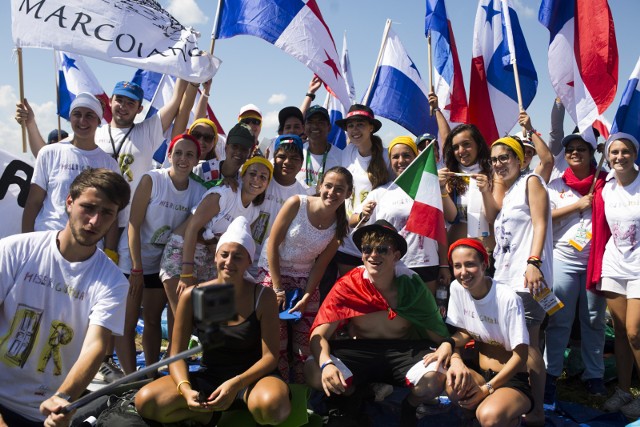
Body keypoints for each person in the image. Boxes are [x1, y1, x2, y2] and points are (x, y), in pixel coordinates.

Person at [0, 168, 130, 427]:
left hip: (48, 413)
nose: (94, 221)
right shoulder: (14, 250)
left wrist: (63, 397)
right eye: (88, 207)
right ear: (69, 202)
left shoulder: (114, 281)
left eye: (107, 213)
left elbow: (95, 347)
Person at [135, 217, 292, 426]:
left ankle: (245, 406)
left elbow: (270, 357)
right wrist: (185, 389)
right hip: (211, 377)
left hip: (253, 378)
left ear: (249, 261)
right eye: (224, 255)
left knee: (272, 408)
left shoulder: (263, 296)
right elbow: (176, 355)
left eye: (237, 257)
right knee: (146, 401)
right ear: (215, 257)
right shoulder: (193, 296)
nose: (229, 262)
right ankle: (210, 414)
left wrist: (236, 384)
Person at [305, 220, 450, 426]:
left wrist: (447, 346)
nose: (373, 255)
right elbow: (319, 335)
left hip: (404, 351)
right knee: (313, 370)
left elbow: (440, 336)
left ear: (396, 256)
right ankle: (355, 395)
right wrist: (327, 364)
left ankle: (408, 406)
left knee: (433, 381)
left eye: (382, 249)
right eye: (367, 249)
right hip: (360, 351)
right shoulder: (349, 284)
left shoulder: (412, 286)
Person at [115, 134, 206, 374]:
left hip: (161, 262)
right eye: (178, 153)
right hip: (133, 259)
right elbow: (133, 223)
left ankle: (150, 374)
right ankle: (129, 377)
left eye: (189, 154)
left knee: (153, 320)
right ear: (169, 155)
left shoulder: (198, 191)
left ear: (198, 159)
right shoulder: (152, 180)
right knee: (127, 323)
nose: (183, 159)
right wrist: (136, 268)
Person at [258, 166, 353, 382]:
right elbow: (272, 244)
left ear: (348, 193)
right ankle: (280, 385)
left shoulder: (340, 225)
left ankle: (302, 393)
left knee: (306, 344)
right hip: (274, 274)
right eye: (328, 186)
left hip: (305, 281)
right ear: (320, 186)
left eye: (340, 189)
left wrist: (307, 297)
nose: (332, 192)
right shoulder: (297, 203)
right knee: (277, 342)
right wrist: (278, 287)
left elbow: (321, 265)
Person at [483, 136, 553, 426]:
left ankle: (537, 410)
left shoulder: (532, 181)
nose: (499, 163)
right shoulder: (510, 191)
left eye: (505, 157)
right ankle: (518, 401)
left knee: (531, 343)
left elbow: (541, 223)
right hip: (506, 278)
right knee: (516, 343)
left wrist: (534, 262)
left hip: (528, 278)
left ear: (520, 159)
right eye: (494, 159)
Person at [425, 239, 532, 427]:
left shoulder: (507, 298)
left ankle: (508, 419)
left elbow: (521, 355)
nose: (463, 272)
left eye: (470, 264)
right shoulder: (457, 288)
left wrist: (487, 389)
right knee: (453, 386)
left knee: (489, 417)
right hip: (481, 372)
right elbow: (463, 332)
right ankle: (478, 415)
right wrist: (450, 348)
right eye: (457, 266)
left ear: (484, 265)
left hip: (511, 379)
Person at [161, 156, 272, 321]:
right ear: (243, 176)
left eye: (263, 177)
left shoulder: (254, 212)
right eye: (252, 174)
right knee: (183, 318)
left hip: (208, 258)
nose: (256, 179)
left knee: (197, 318)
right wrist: (186, 273)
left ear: (267, 184)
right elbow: (192, 229)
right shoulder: (225, 194)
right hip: (182, 250)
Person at [543, 133, 608, 404]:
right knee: (559, 320)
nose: (575, 153)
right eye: (570, 149)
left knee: (594, 320)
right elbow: (542, 217)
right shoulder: (554, 184)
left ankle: (595, 375)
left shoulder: (606, 183)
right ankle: (550, 375)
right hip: (563, 259)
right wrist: (576, 206)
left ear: (592, 152)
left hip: (598, 261)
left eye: (582, 149)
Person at [355, 136, 450, 294]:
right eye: (395, 156)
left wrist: (444, 265)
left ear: (416, 158)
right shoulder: (381, 191)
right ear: (390, 161)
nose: (401, 160)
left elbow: (439, 228)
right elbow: (354, 221)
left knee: (424, 315)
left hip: (426, 264)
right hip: (392, 265)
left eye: (407, 155)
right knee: (395, 316)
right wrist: (362, 215)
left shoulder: (429, 188)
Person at [21, 93, 120, 234]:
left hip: (88, 245)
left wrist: (110, 251)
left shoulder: (109, 164)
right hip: (47, 238)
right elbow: (33, 203)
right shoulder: (48, 153)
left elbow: (112, 216)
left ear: (99, 121)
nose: (82, 120)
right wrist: (26, 241)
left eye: (89, 115)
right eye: (77, 114)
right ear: (70, 118)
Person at [596, 133, 640, 418]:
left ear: (635, 154)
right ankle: (624, 390)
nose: (619, 157)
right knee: (621, 334)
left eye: (625, 151)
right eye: (614, 152)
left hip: (639, 268)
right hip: (613, 265)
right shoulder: (605, 187)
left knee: (636, 332)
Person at [333, 104, 390, 276]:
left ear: (371, 127)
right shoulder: (347, 152)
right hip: (348, 240)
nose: (354, 129)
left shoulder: (387, 157)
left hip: (376, 242)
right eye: (350, 125)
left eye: (360, 124)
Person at [249, 134, 308, 276]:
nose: (287, 162)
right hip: (246, 261)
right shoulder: (258, 180)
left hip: (275, 269)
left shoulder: (304, 195)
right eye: (282, 156)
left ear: (301, 163)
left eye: (294, 158)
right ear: (274, 158)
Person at [439, 124, 493, 245]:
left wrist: (486, 191)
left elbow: (493, 216)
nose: (461, 151)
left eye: (466, 144)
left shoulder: (494, 172)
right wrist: (442, 188)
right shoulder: (450, 176)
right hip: (458, 249)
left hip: (488, 250)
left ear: (478, 145)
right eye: (456, 147)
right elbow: (451, 217)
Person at [296, 105, 343, 195]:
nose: (315, 126)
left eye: (320, 122)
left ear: (329, 127)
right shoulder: (296, 152)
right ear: (304, 127)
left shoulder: (341, 157)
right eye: (310, 122)